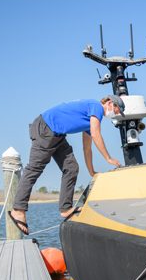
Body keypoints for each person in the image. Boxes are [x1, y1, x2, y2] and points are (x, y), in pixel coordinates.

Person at [9, 95, 123, 234]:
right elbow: (96, 134)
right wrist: (108, 158)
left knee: (71, 167)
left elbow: (87, 148)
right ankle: (18, 210)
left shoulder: (90, 121)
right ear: (110, 103)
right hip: (45, 128)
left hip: (57, 135)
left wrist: (92, 171)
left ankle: (65, 208)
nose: (116, 114)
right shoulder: (96, 107)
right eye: (117, 110)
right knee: (34, 169)